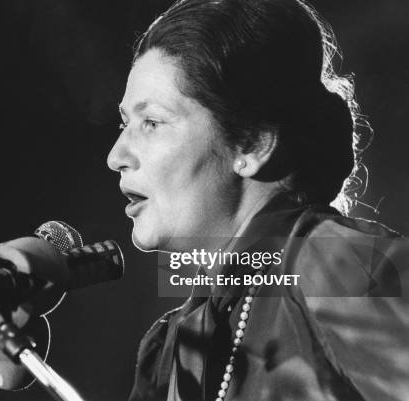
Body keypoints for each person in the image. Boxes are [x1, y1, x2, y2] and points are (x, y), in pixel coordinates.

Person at [106, 0, 409, 400]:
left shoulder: (337, 263)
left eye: (152, 122)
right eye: (125, 123)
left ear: (252, 143)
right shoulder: (171, 346)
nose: (116, 156)